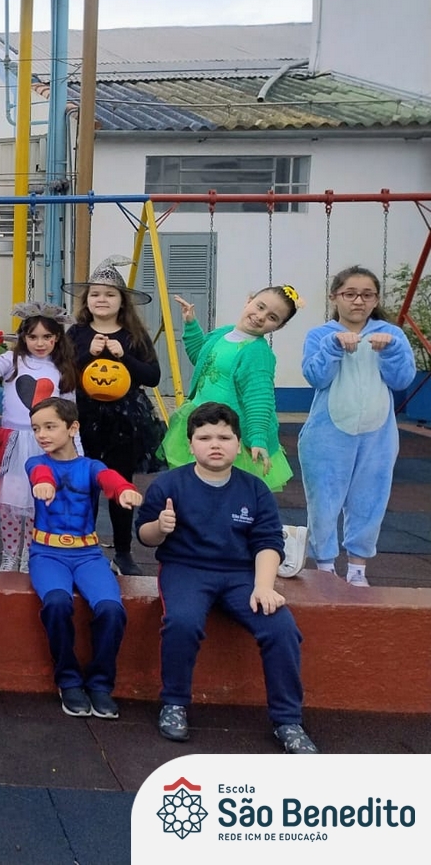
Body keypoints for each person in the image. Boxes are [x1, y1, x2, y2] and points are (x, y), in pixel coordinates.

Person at [137, 402, 318, 753]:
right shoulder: (169, 485)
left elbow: (269, 542)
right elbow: (144, 536)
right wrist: (160, 527)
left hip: (241, 575)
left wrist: (263, 586)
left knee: (281, 627)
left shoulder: (255, 489)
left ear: (238, 444)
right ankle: (174, 703)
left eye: (224, 437)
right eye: (204, 438)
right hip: (186, 569)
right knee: (182, 622)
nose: (215, 444)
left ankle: (288, 721)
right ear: (191, 445)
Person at [25, 397, 142, 719]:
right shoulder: (36, 463)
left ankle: (101, 684)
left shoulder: (91, 467)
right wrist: (43, 485)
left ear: (72, 427)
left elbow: (109, 479)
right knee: (57, 603)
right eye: (36, 429)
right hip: (47, 554)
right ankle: (68, 680)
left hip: (87, 554)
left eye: (50, 426)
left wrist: (123, 490)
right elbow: (40, 475)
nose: (42, 434)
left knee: (111, 610)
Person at [299, 267, 415, 586]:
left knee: (370, 498)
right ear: (334, 297)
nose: (358, 301)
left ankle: (357, 569)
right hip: (327, 436)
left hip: (378, 437)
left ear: (376, 299)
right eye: (350, 294)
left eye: (367, 295)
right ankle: (324, 566)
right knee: (324, 500)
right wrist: (333, 347)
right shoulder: (320, 335)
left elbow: (402, 380)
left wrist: (391, 351)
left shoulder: (391, 334)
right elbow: (316, 377)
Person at [64, 255, 164, 577]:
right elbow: (64, 374)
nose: (102, 299)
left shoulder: (133, 335)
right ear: (87, 300)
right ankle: (83, 545)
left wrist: (126, 358)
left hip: (124, 421)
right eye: (95, 294)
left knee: (120, 484)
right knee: (84, 483)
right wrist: (86, 355)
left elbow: (153, 376)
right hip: (84, 418)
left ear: (122, 302)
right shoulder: (77, 333)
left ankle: (122, 551)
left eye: (110, 294)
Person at [0, 303, 80, 573]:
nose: (40, 343)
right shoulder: (12, 360)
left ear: (57, 338)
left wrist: (75, 447)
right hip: (13, 442)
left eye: (47, 337)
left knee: (37, 501)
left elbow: (69, 410)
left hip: (45, 444)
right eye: (33, 337)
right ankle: (10, 555)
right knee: (11, 500)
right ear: (23, 337)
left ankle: (29, 555)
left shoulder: (62, 368)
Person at [163, 286, 300, 490]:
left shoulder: (258, 353)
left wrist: (258, 438)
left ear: (278, 327)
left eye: (272, 317)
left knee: (225, 489)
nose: (260, 317)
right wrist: (191, 324)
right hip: (201, 419)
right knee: (196, 486)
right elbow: (202, 358)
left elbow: (259, 399)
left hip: (227, 430)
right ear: (249, 300)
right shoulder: (223, 333)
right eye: (260, 306)